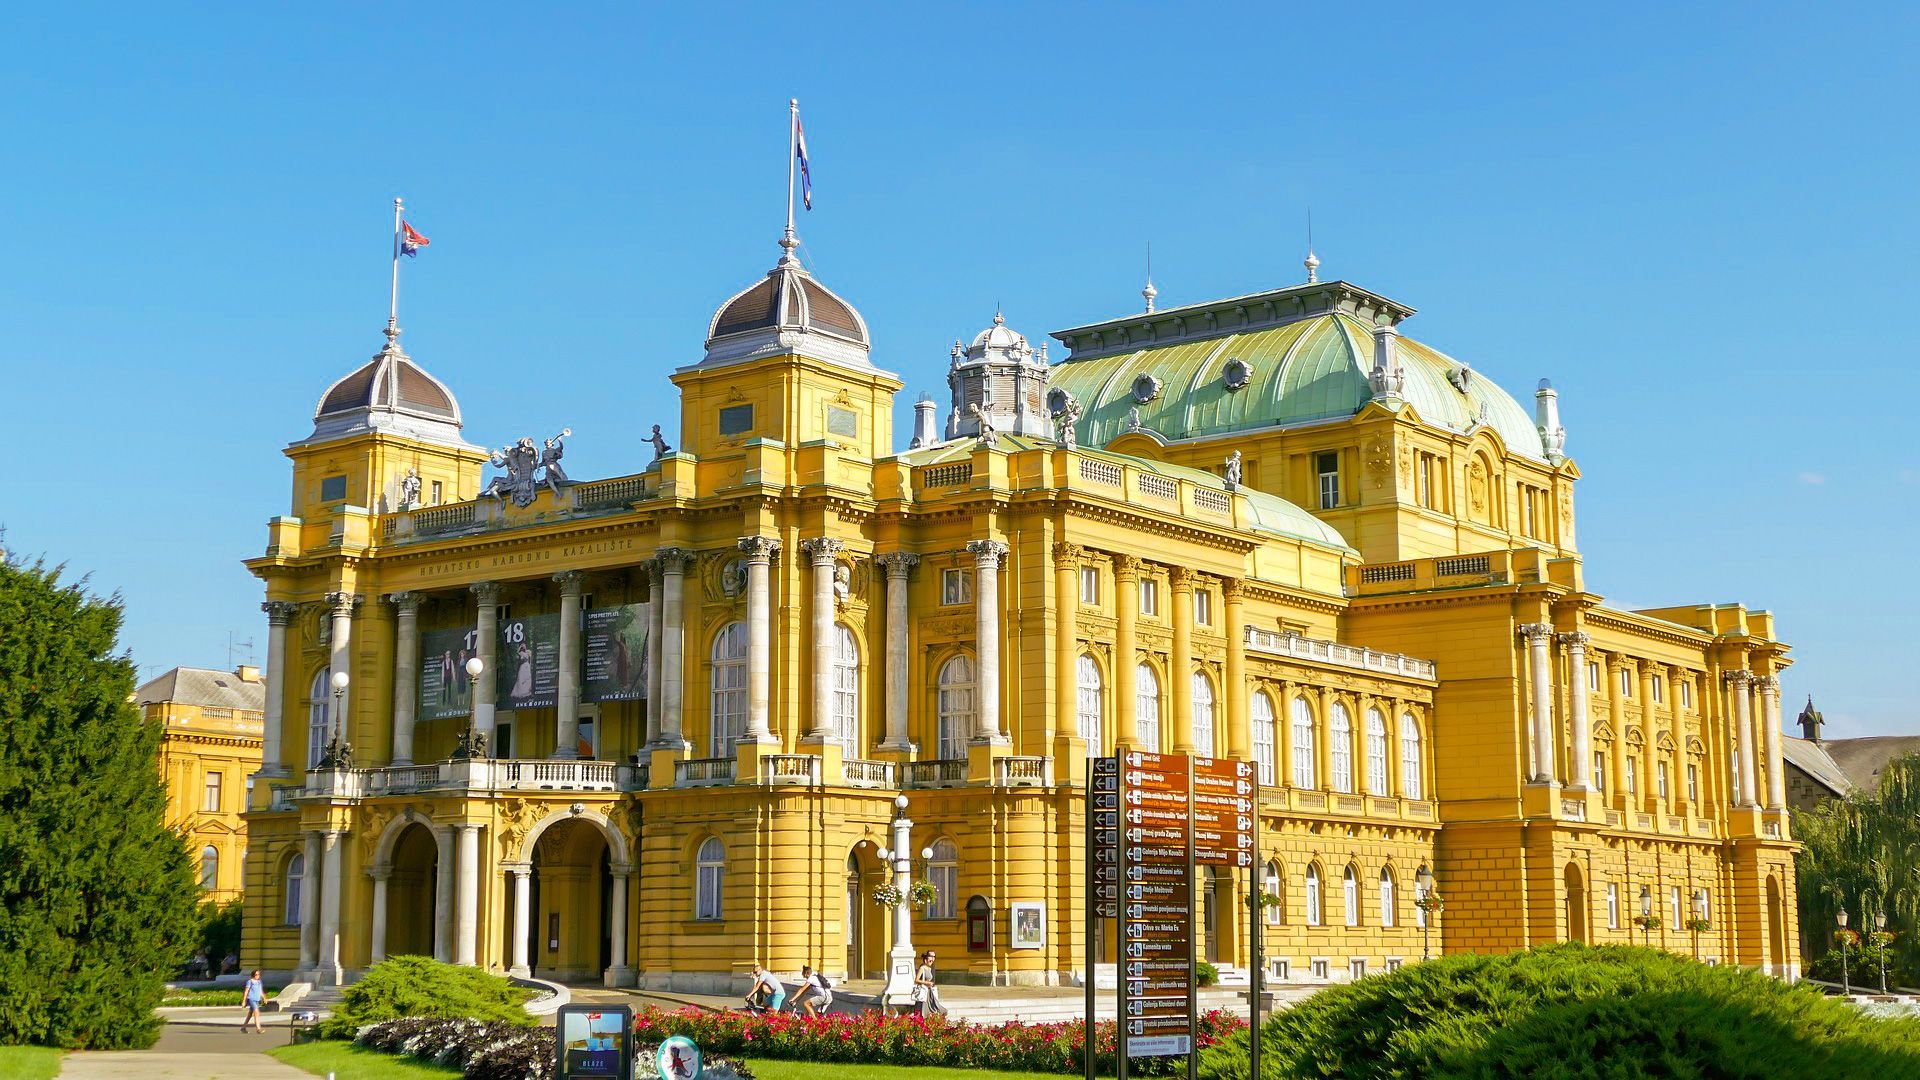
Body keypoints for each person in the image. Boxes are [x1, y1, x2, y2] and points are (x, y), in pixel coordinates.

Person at [914, 950, 946, 1017]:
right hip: (924, 991)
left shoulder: (930, 968)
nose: (932, 960)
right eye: (930, 959)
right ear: (925, 960)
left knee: (935, 1007)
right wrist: (926, 982)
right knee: (924, 1009)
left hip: (929, 991)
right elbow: (916, 980)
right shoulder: (922, 968)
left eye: (933, 958)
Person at [241, 969, 266, 1033]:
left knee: (250, 1014)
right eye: (256, 975)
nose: (257, 976)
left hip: (257, 999)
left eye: (258, 974)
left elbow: (260, 991)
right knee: (257, 1012)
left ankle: (243, 1027)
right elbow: (246, 991)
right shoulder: (250, 981)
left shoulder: (259, 982)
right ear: (253, 975)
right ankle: (258, 1029)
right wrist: (244, 1001)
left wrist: (264, 998)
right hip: (251, 999)